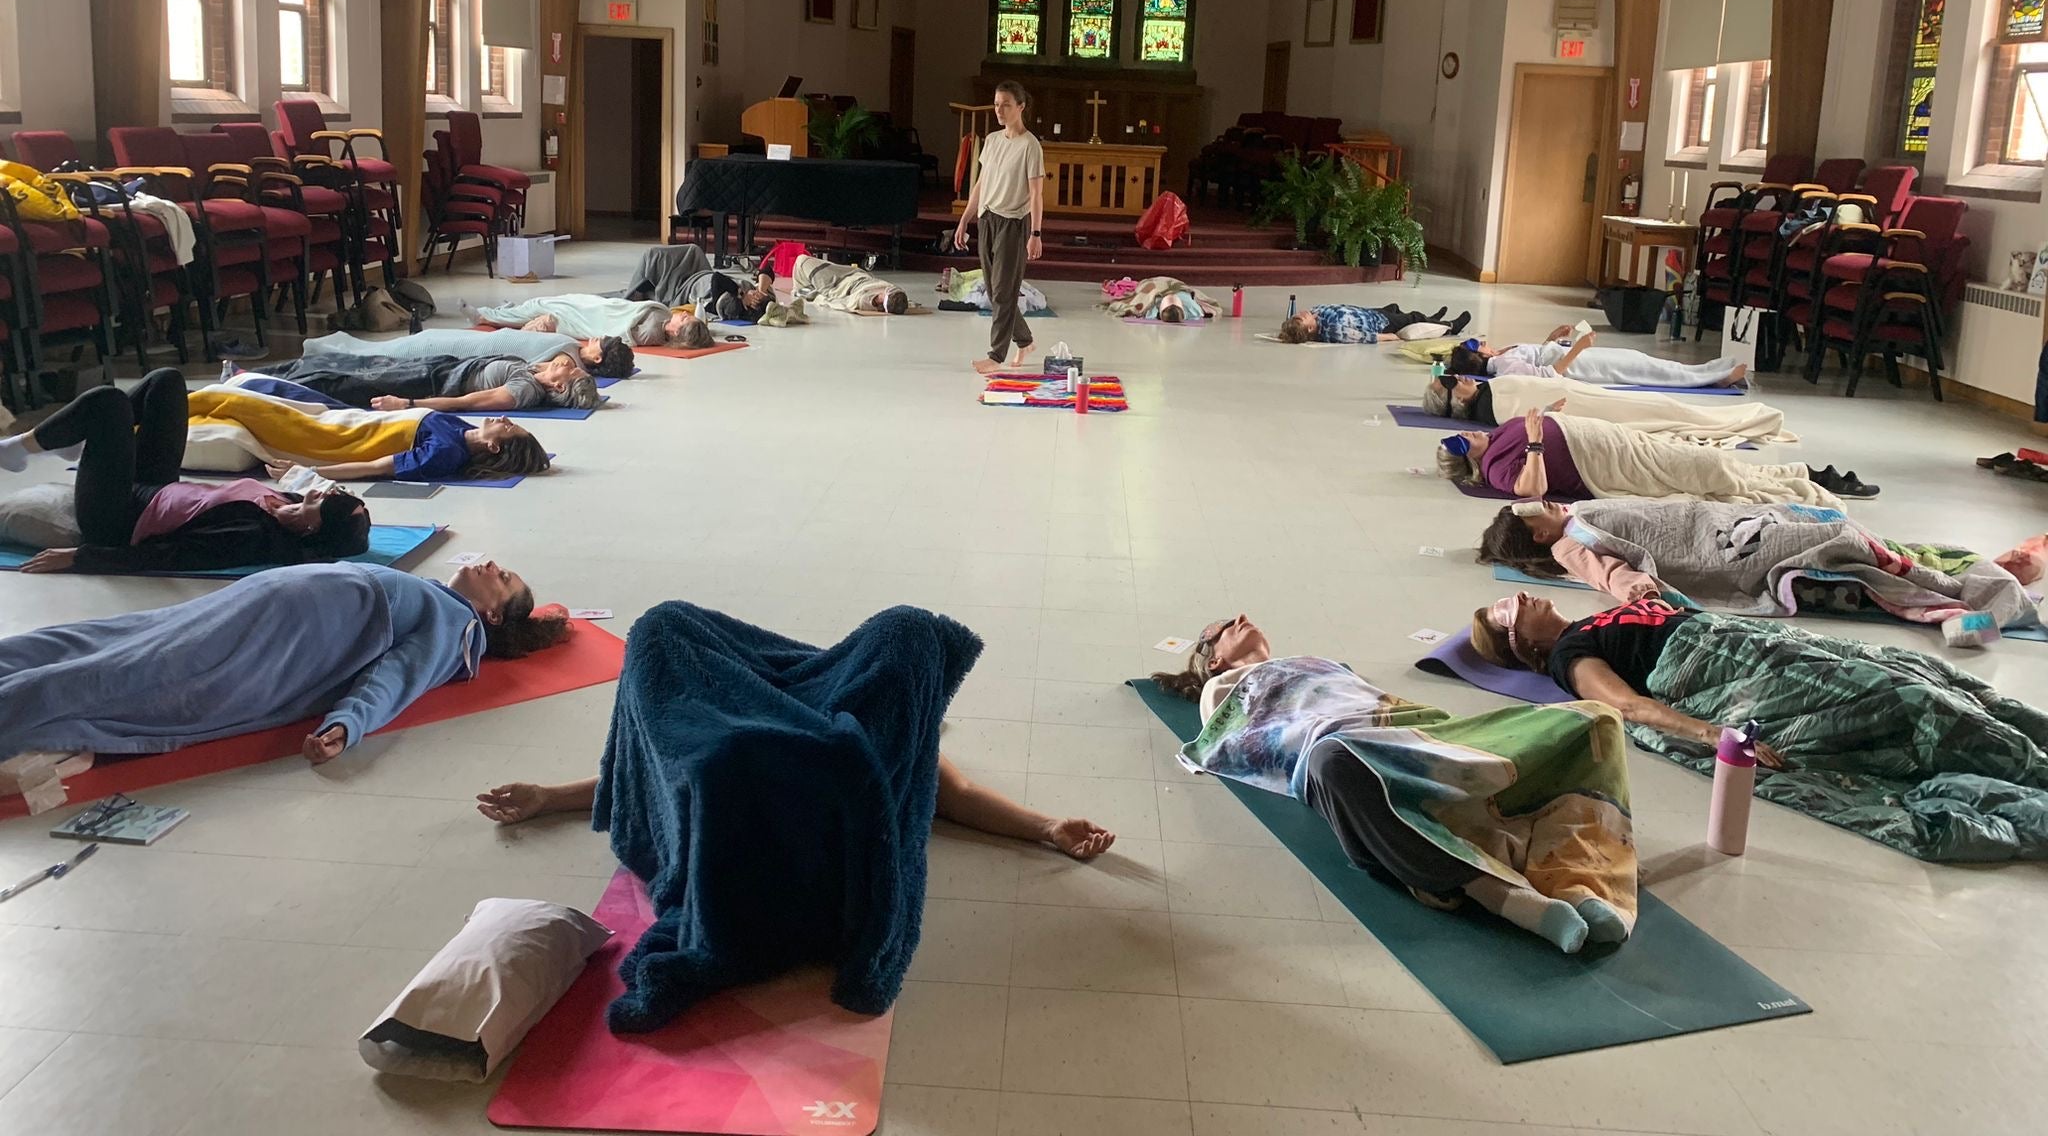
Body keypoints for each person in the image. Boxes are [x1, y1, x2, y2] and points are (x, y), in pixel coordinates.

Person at [1150, 615, 1637, 954]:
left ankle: (1582, 887)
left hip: (1413, 733)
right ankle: (1503, 897)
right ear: (1213, 660)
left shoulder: (1322, 661)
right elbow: (1246, 740)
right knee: (1332, 763)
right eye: (1223, 628)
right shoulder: (1221, 688)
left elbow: (1369, 698)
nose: (1240, 619)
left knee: (1595, 719)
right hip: (1340, 748)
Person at [1466, 591, 2048, 863]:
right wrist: (1711, 734)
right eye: (1510, 612)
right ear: (1525, 647)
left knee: (1920, 672)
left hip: (1745, 639)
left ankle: (2029, 741)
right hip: (1713, 665)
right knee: (1907, 702)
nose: (1521, 597)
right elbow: (1631, 707)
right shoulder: (1570, 656)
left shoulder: (1591, 619)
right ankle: (2031, 770)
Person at [0, 558, 561, 767]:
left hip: (285, 633)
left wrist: (349, 724)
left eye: (504, 578)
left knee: (140, 671)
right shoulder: (439, 597)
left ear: (492, 615)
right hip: (263, 601)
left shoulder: (458, 629)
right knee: (116, 637)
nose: (492, 565)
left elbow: (396, 677)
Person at [1478, 498, 2043, 643]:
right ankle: (1964, 602)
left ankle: (1965, 584)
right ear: (1539, 535)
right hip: (1727, 551)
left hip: (1727, 523)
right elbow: (1607, 573)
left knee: (1853, 537)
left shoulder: (1575, 513)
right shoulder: (1568, 545)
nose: (1546, 503)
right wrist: (1636, 588)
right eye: (1536, 513)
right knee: (1844, 542)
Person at [0, 369, 370, 575]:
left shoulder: (250, 536)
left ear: (311, 528)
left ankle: (21, 448)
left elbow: (167, 556)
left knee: (108, 403)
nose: (320, 492)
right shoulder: (288, 502)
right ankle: (71, 436)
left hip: (117, 516)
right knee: (166, 382)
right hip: (157, 486)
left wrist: (82, 557)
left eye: (323, 502)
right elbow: (316, 489)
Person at [477, 756, 1115, 861]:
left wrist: (1048, 827)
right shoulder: (780, 722)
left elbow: (962, 798)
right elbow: (672, 769)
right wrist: (552, 797)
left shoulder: (906, 747)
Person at [1433, 400, 1871, 503]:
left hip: (1614, 439)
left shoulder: (1498, 434)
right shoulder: (1495, 468)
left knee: (1697, 456)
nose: (1468, 433)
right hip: (1606, 462)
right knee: (1707, 466)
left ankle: (1805, 474)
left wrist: (1549, 415)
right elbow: (1533, 490)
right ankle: (1800, 490)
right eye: (1461, 442)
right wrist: (1534, 440)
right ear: (1467, 459)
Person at [182, 374, 551, 484]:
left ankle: (165, 406)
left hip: (337, 436)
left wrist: (309, 472)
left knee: (230, 401)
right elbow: (448, 405)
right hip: (350, 416)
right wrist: (406, 402)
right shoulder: (461, 429)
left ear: (494, 447)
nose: (505, 419)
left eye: (509, 428)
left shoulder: (446, 454)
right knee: (263, 385)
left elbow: (377, 467)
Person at [1421, 371, 1795, 446]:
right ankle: (1748, 420)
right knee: (1663, 410)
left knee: (1662, 404)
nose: (1457, 377)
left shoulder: (1487, 391)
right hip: (1588, 406)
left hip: (1584, 392)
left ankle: (1746, 418)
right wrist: (1551, 409)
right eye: (1450, 383)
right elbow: (1535, 420)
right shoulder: (1494, 409)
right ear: (1456, 402)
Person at [952, 80, 1044, 374]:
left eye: (1006, 105)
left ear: (1021, 107)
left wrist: (1035, 233)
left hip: (1013, 223)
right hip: (987, 219)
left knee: (1004, 291)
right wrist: (965, 218)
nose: (999, 110)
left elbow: (1036, 194)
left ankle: (996, 355)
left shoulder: (1030, 146)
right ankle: (1025, 341)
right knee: (994, 292)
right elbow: (981, 184)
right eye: (996, 104)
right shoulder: (991, 141)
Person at [255, 349, 600, 414]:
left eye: (570, 371)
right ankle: (265, 372)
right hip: (441, 367)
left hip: (428, 384)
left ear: (559, 387)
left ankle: (253, 383)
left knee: (340, 382)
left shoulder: (523, 391)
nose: (568, 364)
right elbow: (556, 357)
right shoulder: (539, 372)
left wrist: (406, 404)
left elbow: (466, 403)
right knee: (346, 363)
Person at [291, 326, 635, 380]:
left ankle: (321, 352)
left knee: (390, 353)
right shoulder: (572, 349)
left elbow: (538, 371)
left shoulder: (567, 362)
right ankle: (325, 351)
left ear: (598, 359)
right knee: (391, 349)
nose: (594, 338)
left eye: (599, 342)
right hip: (467, 341)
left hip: (465, 349)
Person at [1447, 328, 1747, 389]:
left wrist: (1553, 337)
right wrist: (1578, 348)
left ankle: (1710, 371)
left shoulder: (1503, 356)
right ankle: (1715, 378)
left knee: (1642, 360)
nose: (1484, 342)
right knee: (1647, 369)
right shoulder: (1502, 366)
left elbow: (1539, 357)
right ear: (1479, 356)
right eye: (1478, 345)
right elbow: (1550, 374)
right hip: (1581, 364)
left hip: (1579, 355)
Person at [619, 242, 772, 322]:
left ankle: (638, 292)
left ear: (748, 306)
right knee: (694, 249)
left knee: (652, 256)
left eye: (756, 297)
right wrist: (762, 290)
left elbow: (718, 279)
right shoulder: (756, 293)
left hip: (685, 286)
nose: (754, 293)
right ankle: (647, 284)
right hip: (699, 271)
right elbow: (766, 270)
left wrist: (742, 295)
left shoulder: (730, 306)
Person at [473, 294, 697, 346]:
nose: (685, 314)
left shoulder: (651, 334)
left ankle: (489, 316)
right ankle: (507, 312)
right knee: (555, 302)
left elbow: (621, 330)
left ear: (676, 332)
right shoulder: (666, 317)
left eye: (686, 320)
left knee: (547, 309)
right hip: (605, 307)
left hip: (594, 318)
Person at [1277, 303, 1471, 344]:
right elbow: (1362, 337)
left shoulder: (1316, 315)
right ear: (1311, 328)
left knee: (1394, 307)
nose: (1302, 313)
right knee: (1412, 317)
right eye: (1302, 318)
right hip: (1380, 324)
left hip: (1371, 313)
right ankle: (1450, 326)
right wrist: (1388, 337)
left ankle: (1432, 319)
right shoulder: (1333, 331)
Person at [791, 253, 909, 315]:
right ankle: (809, 287)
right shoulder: (893, 290)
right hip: (856, 274)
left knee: (802, 261)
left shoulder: (865, 300)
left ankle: (807, 289)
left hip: (840, 285)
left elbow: (858, 301)